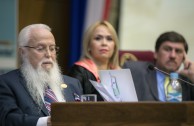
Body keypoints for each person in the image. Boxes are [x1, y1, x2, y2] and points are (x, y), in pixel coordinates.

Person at [0, 24, 83, 126]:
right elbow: (8, 119)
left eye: (52, 48)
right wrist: (45, 122)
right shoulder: (7, 83)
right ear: (23, 52)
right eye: (40, 48)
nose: (48, 54)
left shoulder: (73, 83)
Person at [123, 31, 194, 101]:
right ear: (156, 53)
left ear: (184, 58)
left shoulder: (188, 81)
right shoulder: (134, 71)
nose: (173, 56)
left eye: (178, 51)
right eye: (167, 49)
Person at [68, 21, 120, 101]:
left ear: (115, 46)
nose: (104, 43)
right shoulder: (78, 71)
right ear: (88, 45)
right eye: (98, 38)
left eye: (109, 39)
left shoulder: (119, 72)